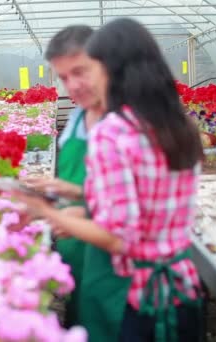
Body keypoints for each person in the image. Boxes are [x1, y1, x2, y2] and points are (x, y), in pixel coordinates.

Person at [13, 18, 205, 342]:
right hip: (180, 287)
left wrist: (47, 212)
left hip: (135, 296)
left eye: (91, 68)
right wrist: (78, 202)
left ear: (112, 68)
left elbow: (119, 238)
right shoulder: (179, 127)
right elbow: (147, 207)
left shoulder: (114, 132)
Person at [22, 25, 105, 329]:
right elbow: (99, 190)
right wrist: (59, 188)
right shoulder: (79, 116)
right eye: (64, 78)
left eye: (80, 72)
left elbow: (133, 207)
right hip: (77, 252)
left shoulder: (124, 124)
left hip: (113, 263)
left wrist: (64, 211)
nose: (73, 85)